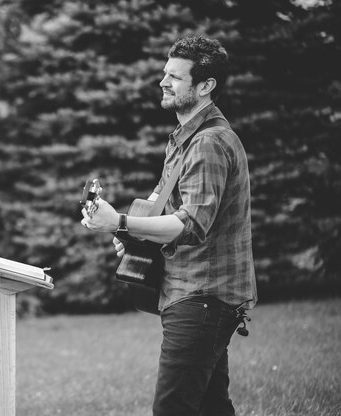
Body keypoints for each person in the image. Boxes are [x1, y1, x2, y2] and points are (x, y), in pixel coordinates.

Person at [80, 35, 258, 416]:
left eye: (176, 77)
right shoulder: (183, 139)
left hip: (203, 295)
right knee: (211, 407)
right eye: (165, 73)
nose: (163, 82)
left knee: (172, 409)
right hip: (192, 291)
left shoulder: (209, 142)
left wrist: (122, 221)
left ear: (205, 86)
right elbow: (164, 206)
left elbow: (192, 223)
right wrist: (128, 232)